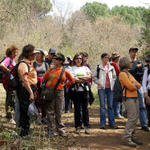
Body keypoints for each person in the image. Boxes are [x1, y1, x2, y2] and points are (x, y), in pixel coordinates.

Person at [43, 52, 74, 137]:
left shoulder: (65, 71)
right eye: (54, 59)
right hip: (50, 91)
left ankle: (60, 130)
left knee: (58, 111)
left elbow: (72, 80)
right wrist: (48, 70)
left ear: (61, 61)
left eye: (56, 59)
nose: (54, 60)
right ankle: (50, 130)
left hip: (60, 92)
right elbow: (44, 78)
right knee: (50, 111)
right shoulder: (51, 69)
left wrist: (64, 85)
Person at [119, 57, 142, 147]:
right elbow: (130, 86)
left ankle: (133, 136)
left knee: (135, 118)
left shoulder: (128, 73)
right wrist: (134, 85)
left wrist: (134, 84)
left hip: (134, 97)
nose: (131, 64)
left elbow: (138, 84)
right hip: (128, 98)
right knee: (132, 118)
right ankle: (126, 138)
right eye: (129, 62)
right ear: (125, 63)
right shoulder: (122, 74)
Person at [17, 44, 37, 137]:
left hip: (29, 89)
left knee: (27, 111)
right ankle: (24, 134)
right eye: (33, 54)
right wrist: (31, 93)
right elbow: (24, 80)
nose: (35, 56)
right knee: (25, 111)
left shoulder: (28, 63)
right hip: (25, 90)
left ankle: (25, 131)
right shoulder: (23, 64)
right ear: (28, 54)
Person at [93, 53, 117, 129]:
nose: (107, 59)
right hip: (101, 89)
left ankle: (112, 123)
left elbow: (114, 77)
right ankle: (102, 124)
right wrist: (99, 83)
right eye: (105, 57)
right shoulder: (98, 67)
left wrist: (113, 83)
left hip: (110, 89)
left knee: (110, 106)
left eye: (108, 58)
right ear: (102, 58)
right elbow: (94, 77)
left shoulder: (112, 67)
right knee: (102, 106)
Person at [70, 53, 92, 134]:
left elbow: (89, 76)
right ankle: (77, 126)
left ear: (82, 60)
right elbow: (72, 78)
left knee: (85, 109)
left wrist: (79, 78)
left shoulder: (85, 68)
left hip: (85, 91)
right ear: (74, 60)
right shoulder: (71, 68)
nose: (78, 60)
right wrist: (83, 78)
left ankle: (86, 126)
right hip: (76, 91)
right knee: (77, 109)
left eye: (80, 58)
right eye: (77, 58)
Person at [128, 47, 149, 132]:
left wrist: (133, 69)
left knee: (142, 106)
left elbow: (142, 74)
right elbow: (127, 73)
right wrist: (136, 68)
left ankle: (144, 124)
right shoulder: (127, 62)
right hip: (129, 86)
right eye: (133, 52)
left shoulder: (141, 63)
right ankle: (131, 124)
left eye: (136, 52)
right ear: (129, 53)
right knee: (131, 107)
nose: (134, 53)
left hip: (139, 86)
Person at [0, 45, 18, 123]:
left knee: (10, 97)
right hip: (9, 82)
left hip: (11, 82)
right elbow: (2, 65)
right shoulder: (8, 59)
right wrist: (9, 71)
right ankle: (10, 116)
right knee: (11, 98)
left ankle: (9, 114)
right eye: (15, 52)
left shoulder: (13, 60)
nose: (16, 53)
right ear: (11, 52)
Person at [33, 49, 49, 124]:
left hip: (44, 85)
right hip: (35, 84)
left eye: (39, 54)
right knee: (36, 100)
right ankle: (37, 116)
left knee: (44, 100)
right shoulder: (33, 64)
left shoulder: (46, 64)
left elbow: (48, 74)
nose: (37, 55)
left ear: (42, 55)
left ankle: (44, 117)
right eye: (36, 54)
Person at [111, 52, 124, 119]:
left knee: (114, 97)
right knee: (117, 97)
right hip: (116, 81)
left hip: (114, 81)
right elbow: (118, 73)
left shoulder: (112, 64)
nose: (118, 59)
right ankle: (117, 113)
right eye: (117, 58)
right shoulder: (114, 64)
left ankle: (115, 112)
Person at [142, 54, 150, 127]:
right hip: (148, 91)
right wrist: (145, 94)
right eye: (148, 62)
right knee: (148, 107)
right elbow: (144, 82)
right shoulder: (146, 71)